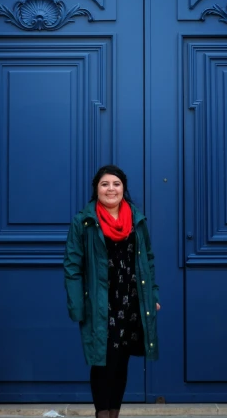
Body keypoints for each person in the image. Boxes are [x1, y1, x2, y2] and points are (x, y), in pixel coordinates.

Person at [64, 165, 160, 418]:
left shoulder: (137, 221)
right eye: (105, 184)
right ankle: (102, 413)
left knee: (121, 360)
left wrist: (154, 295)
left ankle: (114, 413)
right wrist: (77, 305)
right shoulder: (83, 222)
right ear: (96, 189)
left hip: (131, 301)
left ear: (123, 188)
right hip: (100, 301)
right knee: (102, 360)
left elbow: (148, 261)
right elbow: (72, 267)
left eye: (116, 184)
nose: (111, 189)